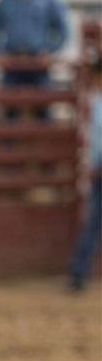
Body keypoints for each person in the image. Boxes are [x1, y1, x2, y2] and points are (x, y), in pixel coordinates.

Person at [69, 56, 102, 291]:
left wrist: (92, 163)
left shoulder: (98, 103)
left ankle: (78, 274)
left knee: (92, 222)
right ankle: (78, 272)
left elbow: (98, 139)